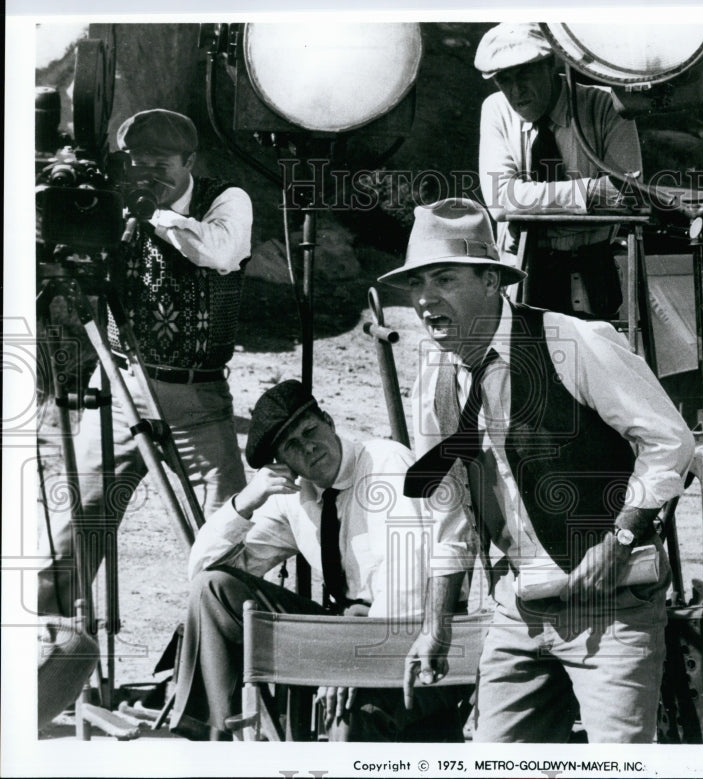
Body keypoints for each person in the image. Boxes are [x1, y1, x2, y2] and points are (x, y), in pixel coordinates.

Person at [379, 198, 694, 743]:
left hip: (612, 606)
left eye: (445, 279)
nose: (427, 299)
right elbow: (451, 513)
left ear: (490, 282)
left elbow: (670, 442)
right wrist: (436, 625)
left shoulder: (571, 341)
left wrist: (619, 539)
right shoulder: (434, 378)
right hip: (517, 609)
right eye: (417, 285)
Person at [38, 108, 253, 618]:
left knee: (228, 532)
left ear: (190, 161)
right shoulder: (113, 197)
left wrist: (152, 211)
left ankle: (224, 646)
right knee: (74, 527)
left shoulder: (226, 199)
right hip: (119, 383)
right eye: (139, 164)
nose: (149, 174)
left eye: (161, 165)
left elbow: (219, 252)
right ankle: (49, 653)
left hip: (195, 398)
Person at [170, 380, 469, 742]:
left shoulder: (385, 464)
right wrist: (244, 503)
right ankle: (212, 742)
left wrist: (347, 666)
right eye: (292, 446)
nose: (308, 447)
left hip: (414, 636)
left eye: (310, 430)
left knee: (344, 712)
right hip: (341, 631)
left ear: (328, 421)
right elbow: (202, 570)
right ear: (282, 462)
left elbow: (404, 595)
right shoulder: (293, 495)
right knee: (212, 590)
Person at [475, 22, 642, 320]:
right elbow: (500, 200)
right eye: (504, 79)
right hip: (524, 272)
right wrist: (588, 195)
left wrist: (529, 212)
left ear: (551, 64)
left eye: (525, 73)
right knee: (528, 360)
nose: (516, 91)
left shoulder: (605, 107)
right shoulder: (496, 111)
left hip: (593, 274)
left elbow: (626, 195)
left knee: (595, 358)